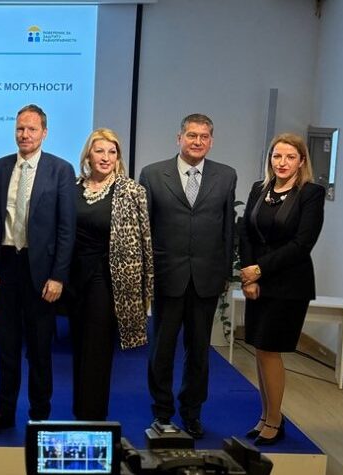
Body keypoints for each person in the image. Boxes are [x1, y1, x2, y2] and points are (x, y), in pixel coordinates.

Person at [0, 104, 76, 438]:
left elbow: (66, 229)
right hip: (5, 266)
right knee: (6, 347)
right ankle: (4, 412)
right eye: (20, 128)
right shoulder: (0, 166)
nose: (25, 134)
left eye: (32, 129)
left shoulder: (60, 170)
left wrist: (59, 276)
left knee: (39, 350)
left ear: (44, 132)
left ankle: (40, 417)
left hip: (42, 272)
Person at [139, 113, 237, 439]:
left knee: (198, 352)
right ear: (179, 138)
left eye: (204, 136)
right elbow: (145, 230)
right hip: (167, 276)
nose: (197, 142)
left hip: (206, 278)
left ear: (211, 141)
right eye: (191, 135)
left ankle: (192, 413)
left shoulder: (226, 176)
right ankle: (162, 412)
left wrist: (225, 273)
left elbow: (227, 228)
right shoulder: (153, 174)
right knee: (162, 350)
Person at [239, 133, 325, 446]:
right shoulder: (259, 189)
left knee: (270, 350)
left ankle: (275, 420)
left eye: (290, 157)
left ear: (301, 161)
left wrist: (260, 269)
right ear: (270, 159)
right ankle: (265, 415)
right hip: (258, 283)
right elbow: (246, 233)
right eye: (277, 156)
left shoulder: (310, 193)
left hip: (289, 285)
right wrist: (249, 277)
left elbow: (302, 243)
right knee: (261, 350)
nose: (282, 163)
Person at [66, 128, 153, 421]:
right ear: (88, 156)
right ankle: (80, 412)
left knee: (98, 350)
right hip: (74, 279)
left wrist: (144, 290)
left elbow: (144, 242)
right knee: (79, 347)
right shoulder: (73, 188)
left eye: (112, 152)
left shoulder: (131, 191)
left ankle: (93, 418)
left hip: (108, 280)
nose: (106, 157)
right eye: (100, 151)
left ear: (118, 157)